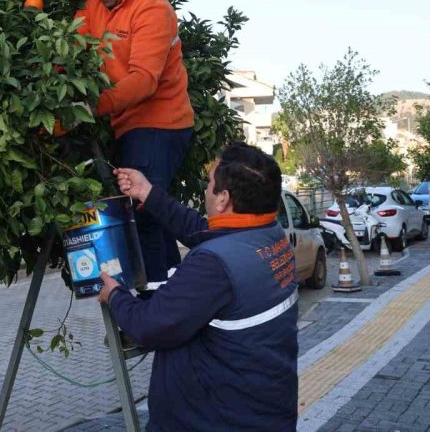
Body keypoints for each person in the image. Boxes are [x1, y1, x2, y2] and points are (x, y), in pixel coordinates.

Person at [98, 142, 297, 431]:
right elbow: (205, 230)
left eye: (209, 184)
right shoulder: (270, 235)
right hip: (262, 411)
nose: (205, 189)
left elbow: (149, 326)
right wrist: (148, 193)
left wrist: (114, 295)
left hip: (211, 421)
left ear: (223, 199)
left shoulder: (213, 264)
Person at [76, 0, 194, 291]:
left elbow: (143, 81)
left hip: (161, 124)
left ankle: (155, 310)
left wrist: (88, 108)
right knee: (151, 215)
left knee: (143, 212)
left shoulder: (152, 9)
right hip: (127, 125)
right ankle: (177, 295)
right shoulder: (95, 4)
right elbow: (72, 44)